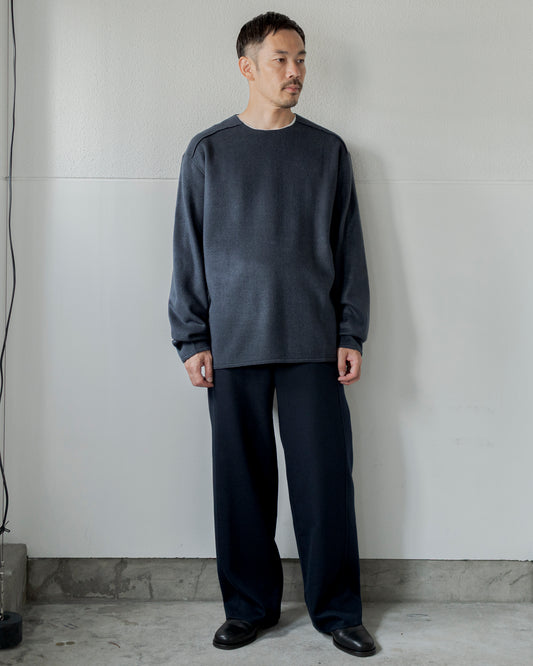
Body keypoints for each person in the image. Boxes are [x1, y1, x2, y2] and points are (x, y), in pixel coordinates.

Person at [168, 11, 375, 658]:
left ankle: (337, 611)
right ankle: (248, 609)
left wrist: (351, 331)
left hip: (313, 339)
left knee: (324, 484)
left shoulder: (326, 151)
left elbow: (348, 249)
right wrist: (191, 338)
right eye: (282, 59)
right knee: (241, 484)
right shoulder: (208, 151)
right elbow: (187, 251)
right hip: (231, 342)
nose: (295, 71)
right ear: (247, 67)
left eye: (301, 59)